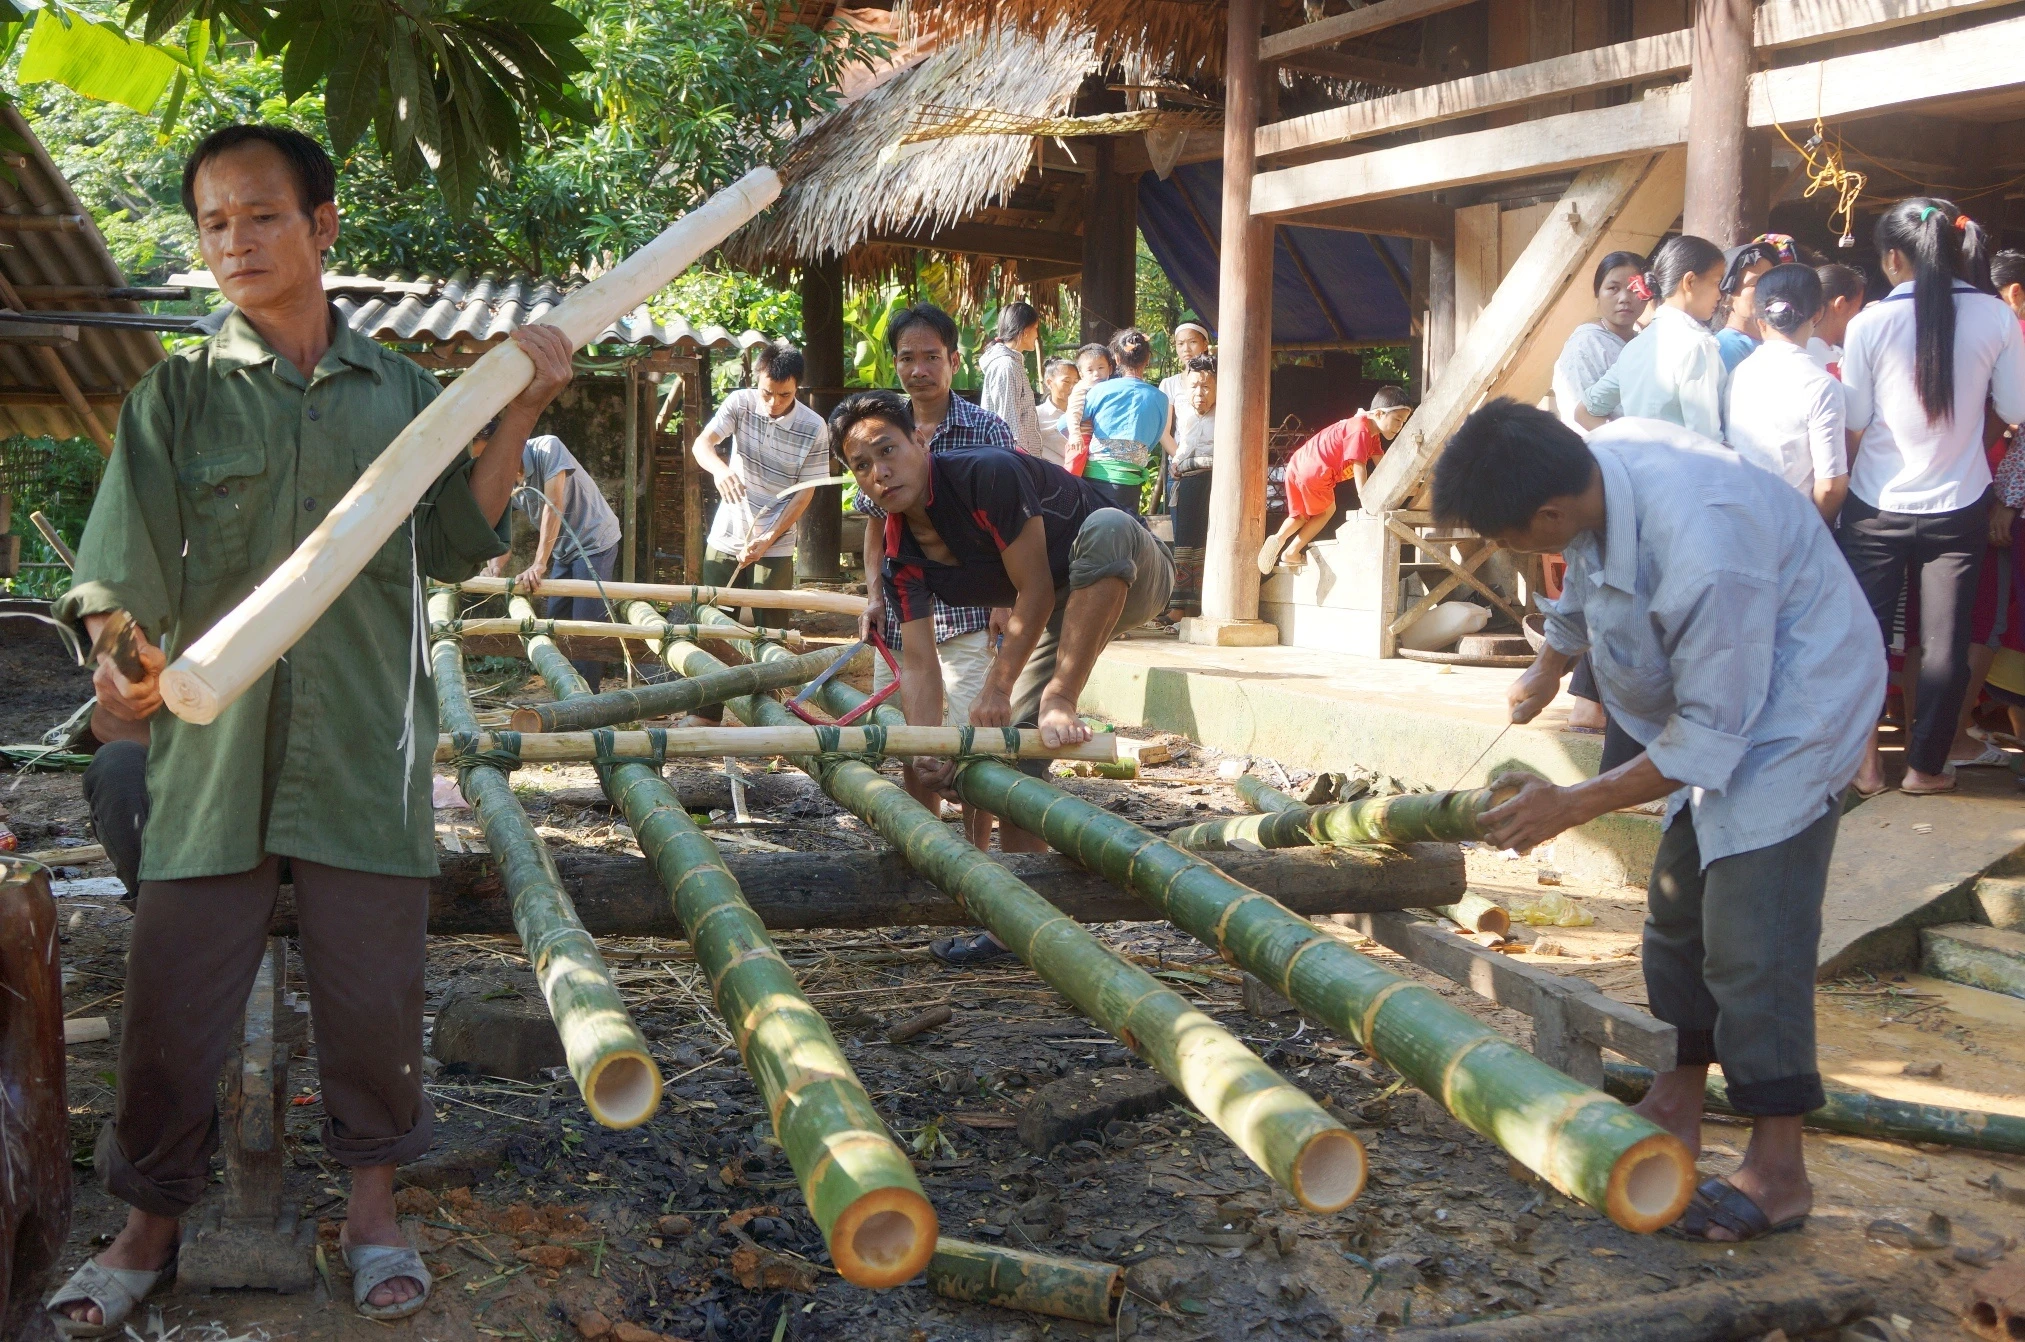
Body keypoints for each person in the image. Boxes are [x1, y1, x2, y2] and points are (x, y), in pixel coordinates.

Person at [45, 124, 571, 1331]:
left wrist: (519, 409)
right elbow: (118, 568)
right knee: (174, 988)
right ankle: (145, 1229)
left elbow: (448, 540)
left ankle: (375, 1213)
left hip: (361, 747)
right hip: (213, 750)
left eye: (262, 215)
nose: (235, 240)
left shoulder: (400, 394)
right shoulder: (175, 396)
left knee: (374, 991)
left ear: (323, 226)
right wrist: (124, 671)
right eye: (216, 222)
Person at [1434, 398, 1883, 1244]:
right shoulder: (1593, 471)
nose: (1516, 552)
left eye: (1511, 538)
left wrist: (1572, 804)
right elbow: (1587, 585)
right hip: (1712, 698)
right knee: (1676, 910)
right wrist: (1544, 669)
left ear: (1549, 513)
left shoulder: (1704, 545)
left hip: (1795, 704)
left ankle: (1779, 1169)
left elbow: (1717, 735)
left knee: (1753, 935)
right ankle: (1677, 1096)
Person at [833, 389, 1172, 960]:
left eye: (887, 450)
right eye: (861, 466)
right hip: (1057, 607)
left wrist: (999, 687)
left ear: (921, 439)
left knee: (1110, 523)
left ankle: (1063, 696)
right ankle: (1015, 923)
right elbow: (918, 663)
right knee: (1017, 753)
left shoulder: (985, 475)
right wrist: (928, 745)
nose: (879, 473)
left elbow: (1034, 589)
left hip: (1130, 569)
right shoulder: (899, 554)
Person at [1839, 198, 2025, 797]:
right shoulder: (1996, 316)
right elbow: (2018, 409)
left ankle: (1866, 768)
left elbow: (1859, 415)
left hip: (1874, 506)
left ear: (1893, 257)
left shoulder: (1868, 323)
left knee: (1863, 637)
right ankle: (1925, 769)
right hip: (1960, 505)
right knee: (1947, 646)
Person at [856, 303, 1018, 783]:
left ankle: (974, 847)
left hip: (971, 611)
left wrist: (1004, 601)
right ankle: (922, 849)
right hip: (906, 609)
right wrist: (873, 597)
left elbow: (1011, 529)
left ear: (954, 359)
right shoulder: (881, 431)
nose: (919, 370)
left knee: (976, 742)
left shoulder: (987, 430)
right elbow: (874, 524)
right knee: (914, 741)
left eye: (931, 356)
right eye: (907, 358)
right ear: (896, 364)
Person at [689, 339, 831, 628]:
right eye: (767, 392)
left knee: (772, 629)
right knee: (715, 621)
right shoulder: (740, 403)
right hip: (727, 534)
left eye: (784, 394)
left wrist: (768, 538)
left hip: (775, 541)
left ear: (797, 388)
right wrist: (719, 470)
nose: (773, 402)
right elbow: (702, 443)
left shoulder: (815, 427)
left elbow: (805, 493)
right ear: (757, 380)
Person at [481, 429, 622, 691]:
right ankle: (567, 691)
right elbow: (502, 532)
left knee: (585, 627)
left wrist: (538, 564)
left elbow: (552, 505)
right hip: (563, 550)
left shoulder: (547, 448)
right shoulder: (504, 475)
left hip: (594, 541)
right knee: (556, 621)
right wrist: (495, 565)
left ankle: (587, 703)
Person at [1724, 264, 1848, 525]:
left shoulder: (1737, 374)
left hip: (1742, 521)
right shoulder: (1821, 385)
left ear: (1760, 322)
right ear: (1818, 314)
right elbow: (1830, 486)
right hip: (1795, 527)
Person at [1577, 235, 1727, 439]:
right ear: (1689, 281)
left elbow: (1584, 411)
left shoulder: (1635, 346)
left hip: (1640, 465)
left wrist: (1629, 442)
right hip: (1684, 467)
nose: (1720, 294)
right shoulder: (1696, 344)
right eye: (1717, 282)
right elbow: (1706, 439)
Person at [1257, 387, 1412, 575]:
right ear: (1378, 414)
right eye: (1397, 420)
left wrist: (1404, 484)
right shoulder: (1361, 430)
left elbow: (1383, 465)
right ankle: (1292, 550)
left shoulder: (1371, 434)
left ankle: (1279, 539)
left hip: (1296, 465)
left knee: (1300, 516)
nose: (1400, 426)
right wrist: (1365, 500)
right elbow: (1359, 466)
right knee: (1327, 511)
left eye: (1403, 422)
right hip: (1316, 471)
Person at [1075, 328, 1169, 513]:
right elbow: (1155, 437)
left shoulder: (1099, 391)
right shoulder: (1160, 398)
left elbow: (1066, 425)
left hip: (1095, 478)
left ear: (1116, 359)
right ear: (1147, 359)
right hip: (1130, 484)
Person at [1552, 251, 1646, 429]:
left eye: (1634, 289)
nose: (1625, 298)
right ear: (1597, 293)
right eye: (1613, 288)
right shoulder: (1585, 345)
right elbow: (1580, 415)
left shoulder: (1644, 343)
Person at [1165, 354, 1216, 618]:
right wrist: (1178, 462)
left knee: (1203, 542)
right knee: (1184, 542)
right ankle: (1178, 607)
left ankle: (1197, 606)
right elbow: (1180, 443)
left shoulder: (1226, 411)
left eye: (1206, 386)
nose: (1200, 393)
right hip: (1184, 481)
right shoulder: (1183, 407)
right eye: (1194, 386)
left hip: (1212, 482)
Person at [1713, 235, 1799, 373]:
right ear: (1726, 297)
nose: (1768, 290)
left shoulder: (1773, 343)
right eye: (1756, 283)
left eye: (1772, 282)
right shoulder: (1726, 347)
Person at [978, 301, 1046, 457]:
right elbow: (1007, 424)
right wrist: (1020, 463)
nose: (1037, 334)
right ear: (1025, 330)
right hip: (1015, 461)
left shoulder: (1011, 364)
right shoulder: (1006, 366)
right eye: (1035, 328)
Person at [1060, 342, 1116, 470]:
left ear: (1110, 368)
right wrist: (1075, 435)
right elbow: (1073, 412)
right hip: (1082, 437)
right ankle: (1066, 489)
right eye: (1090, 370)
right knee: (1073, 469)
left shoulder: (1111, 387)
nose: (1096, 374)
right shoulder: (1082, 387)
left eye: (1101, 368)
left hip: (1101, 439)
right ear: (1081, 373)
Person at [1809, 263, 1868, 376]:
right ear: (1840, 305)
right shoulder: (1845, 361)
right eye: (1858, 307)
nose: (1859, 314)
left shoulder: (1793, 351)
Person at [1158, 321, 1212, 444]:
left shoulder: (1219, 381)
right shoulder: (1169, 384)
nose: (1186, 349)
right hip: (1181, 459)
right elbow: (1163, 432)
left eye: (1193, 342)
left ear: (1205, 345)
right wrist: (1178, 459)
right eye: (1180, 344)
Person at [1034, 355, 1077, 452]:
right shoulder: (1036, 415)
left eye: (1076, 382)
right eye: (1066, 381)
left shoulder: (1083, 413)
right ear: (1049, 383)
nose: (1073, 387)